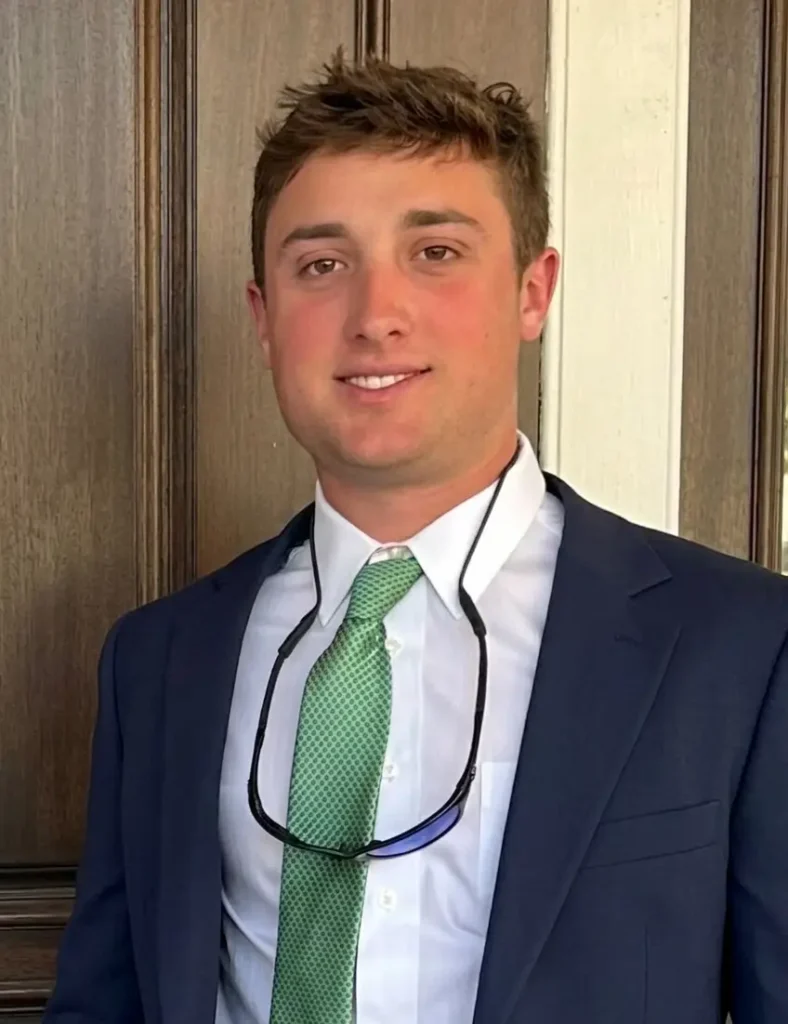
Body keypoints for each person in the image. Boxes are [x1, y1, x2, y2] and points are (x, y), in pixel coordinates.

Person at [45, 50, 788, 1024]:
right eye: (322, 265)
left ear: (532, 290)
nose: (376, 316)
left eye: (434, 253)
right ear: (264, 318)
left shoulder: (738, 644)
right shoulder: (158, 659)